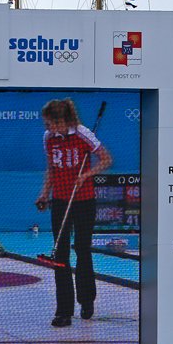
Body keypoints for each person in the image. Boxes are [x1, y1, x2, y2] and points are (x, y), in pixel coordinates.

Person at [34, 98, 112, 328]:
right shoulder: (49, 138)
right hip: (60, 200)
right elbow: (51, 168)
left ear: (63, 120)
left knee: (82, 248)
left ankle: (87, 299)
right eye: (47, 124)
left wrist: (86, 175)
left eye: (51, 123)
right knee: (60, 254)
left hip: (84, 200)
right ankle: (63, 311)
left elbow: (106, 159)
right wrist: (44, 194)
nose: (48, 128)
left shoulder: (82, 133)